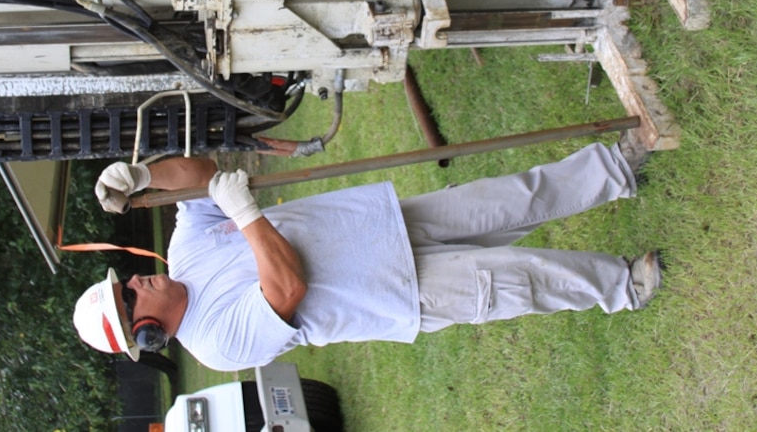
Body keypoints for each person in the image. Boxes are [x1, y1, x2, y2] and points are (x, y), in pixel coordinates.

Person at [73, 140, 662, 372]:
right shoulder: (217, 343)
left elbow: (199, 176)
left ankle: (616, 168)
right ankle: (624, 288)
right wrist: (247, 214)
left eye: (123, 282)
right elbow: (285, 291)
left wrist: (146, 174)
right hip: (398, 291)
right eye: (129, 297)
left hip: (382, 222)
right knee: (522, 279)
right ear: (144, 331)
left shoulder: (185, 251)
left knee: (509, 198)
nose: (135, 282)